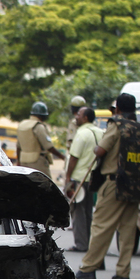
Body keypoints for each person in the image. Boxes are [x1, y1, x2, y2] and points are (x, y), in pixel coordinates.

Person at [76, 93, 140, 279]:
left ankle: (89, 268)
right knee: (127, 230)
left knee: (101, 225)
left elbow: (100, 150)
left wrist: (97, 148)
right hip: (136, 186)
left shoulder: (116, 125)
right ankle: (123, 272)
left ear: (117, 109)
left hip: (115, 183)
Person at [63, 107, 103, 252]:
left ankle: (81, 244)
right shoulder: (101, 132)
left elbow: (74, 157)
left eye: (79, 115)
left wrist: (68, 177)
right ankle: (89, 243)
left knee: (78, 211)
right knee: (88, 212)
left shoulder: (82, 133)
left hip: (80, 178)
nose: (76, 117)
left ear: (85, 117)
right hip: (94, 179)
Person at [16, 101, 64, 179]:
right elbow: (48, 146)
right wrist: (62, 156)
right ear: (42, 116)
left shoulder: (22, 125)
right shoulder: (38, 127)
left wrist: (18, 161)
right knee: (46, 186)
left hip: (23, 162)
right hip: (37, 162)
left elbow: (18, 146)